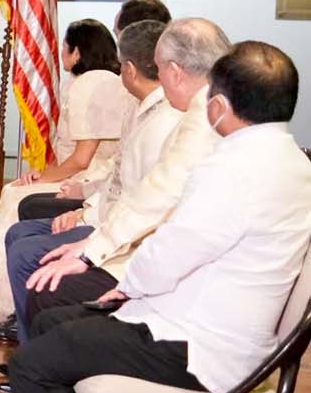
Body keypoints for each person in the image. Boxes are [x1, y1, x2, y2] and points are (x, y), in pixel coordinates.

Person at [0, 41, 311, 393]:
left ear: (218, 106)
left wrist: (125, 287)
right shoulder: (295, 162)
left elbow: (171, 252)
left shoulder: (233, 169)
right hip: (221, 330)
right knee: (54, 321)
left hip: (195, 348)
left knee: (31, 364)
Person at [13, 19, 232, 325]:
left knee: (43, 282)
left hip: (168, 273)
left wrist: (91, 249)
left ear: (174, 72)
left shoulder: (196, 120)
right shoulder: (211, 107)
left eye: (160, 69)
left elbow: (156, 195)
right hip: (150, 244)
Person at [0, 21, 182, 345]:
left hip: (122, 238)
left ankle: (34, 351)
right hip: (104, 211)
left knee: (27, 250)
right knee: (19, 230)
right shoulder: (141, 108)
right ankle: (29, 336)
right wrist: (85, 204)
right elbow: (117, 178)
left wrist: (85, 218)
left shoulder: (164, 122)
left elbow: (141, 202)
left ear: (129, 69)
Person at [0, 19, 133, 341]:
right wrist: (42, 173)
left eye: (64, 47)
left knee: (14, 195)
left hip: (90, 177)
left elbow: (81, 159)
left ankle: (10, 306)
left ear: (77, 52)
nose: (60, 53)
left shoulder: (89, 84)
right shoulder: (110, 80)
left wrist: (37, 180)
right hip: (94, 175)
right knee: (22, 190)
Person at [13, 0, 173, 221]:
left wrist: (83, 205)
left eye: (120, 37)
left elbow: (89, 162)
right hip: (100, 188)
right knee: (25, 204)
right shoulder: (132, 96)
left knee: (18, 200)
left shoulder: (96, 84)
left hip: (111, 201)